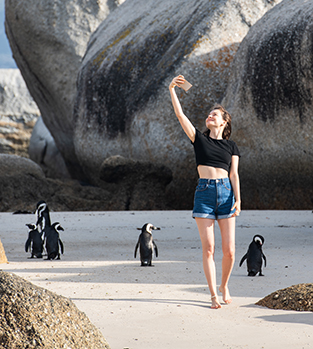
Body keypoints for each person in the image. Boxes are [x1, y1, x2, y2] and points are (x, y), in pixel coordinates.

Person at [169, 75, 241, 309]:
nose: (210, 116)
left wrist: (238, 200)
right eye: (209, 114)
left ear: (223, 123)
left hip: (226, 193)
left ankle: (224, 285)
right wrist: (172, 90)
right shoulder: (198, 139)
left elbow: (234, 175)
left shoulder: (231, 146)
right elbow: (181, 116)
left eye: (215, 115)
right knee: (208, 248)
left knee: (230, 251)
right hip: (204, 194)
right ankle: (213, 294)